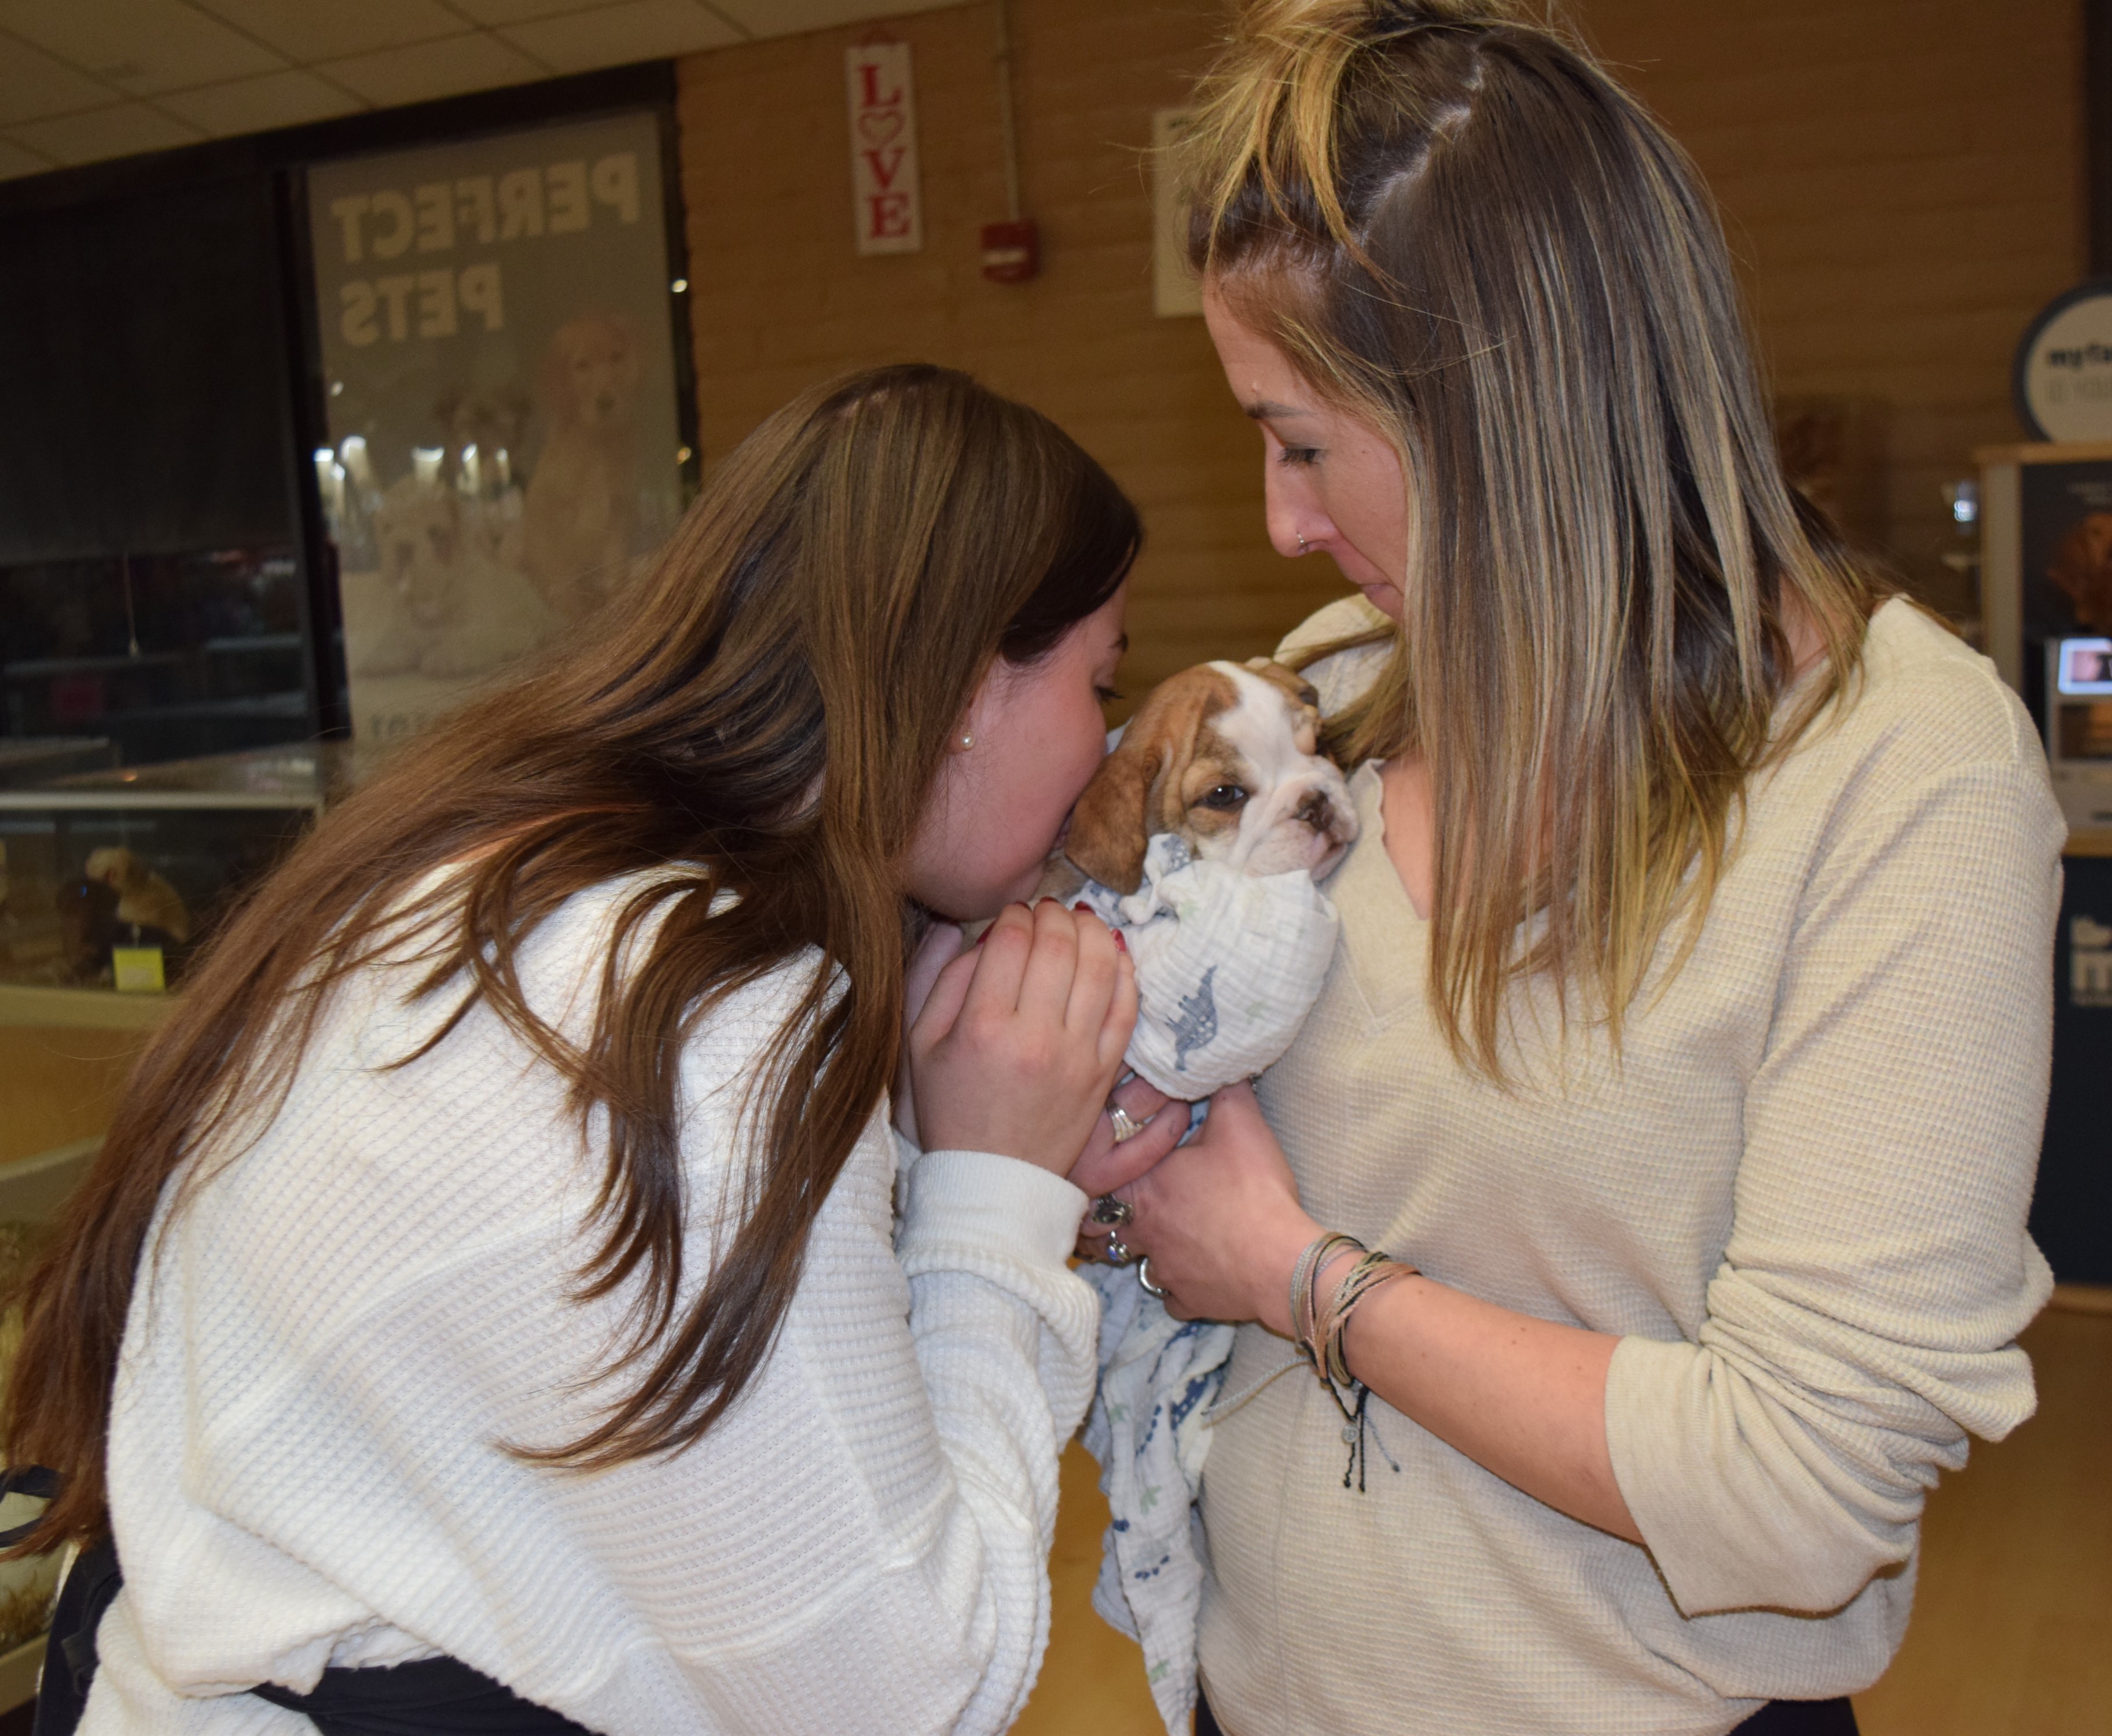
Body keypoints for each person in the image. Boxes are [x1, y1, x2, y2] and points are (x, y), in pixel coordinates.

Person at [1081, 6, 2064, 1734]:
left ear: (1506, 407)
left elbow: (1801, 1490)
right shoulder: (1330, 693)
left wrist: (1298, 1276)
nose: (1282, 523)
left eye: (1302, 441)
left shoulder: (1896, 770)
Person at [1, 364, 1187, 1734]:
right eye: (1102, 679)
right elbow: (905, 1689)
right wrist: (997, 1196)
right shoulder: (706, 1011)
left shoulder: (518, 852)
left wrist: (923, 1126)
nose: (1105, 741)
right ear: (974, 679)